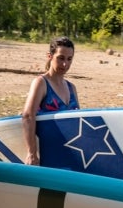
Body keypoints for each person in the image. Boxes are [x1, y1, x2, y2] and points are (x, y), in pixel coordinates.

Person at [21, 36, 80, 165]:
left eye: (69, 59)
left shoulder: (72, 88)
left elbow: (79, 123)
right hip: (48, 154)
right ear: (50, 56)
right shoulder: (41, 83)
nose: (65, 64)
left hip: (71, 153)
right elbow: (27, 116)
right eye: (61, 58)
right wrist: (31, 153)